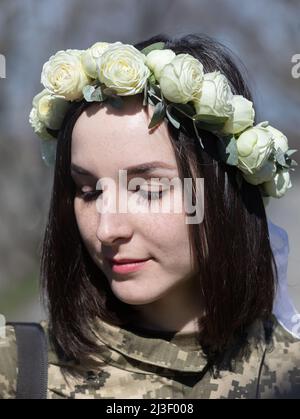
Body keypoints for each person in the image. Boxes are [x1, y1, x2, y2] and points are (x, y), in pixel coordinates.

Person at [0, 33, 299, 399]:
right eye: (89, 191)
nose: (107, 229)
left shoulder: (287, 376)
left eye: (146, 189)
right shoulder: (19, 372)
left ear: (222, 192)